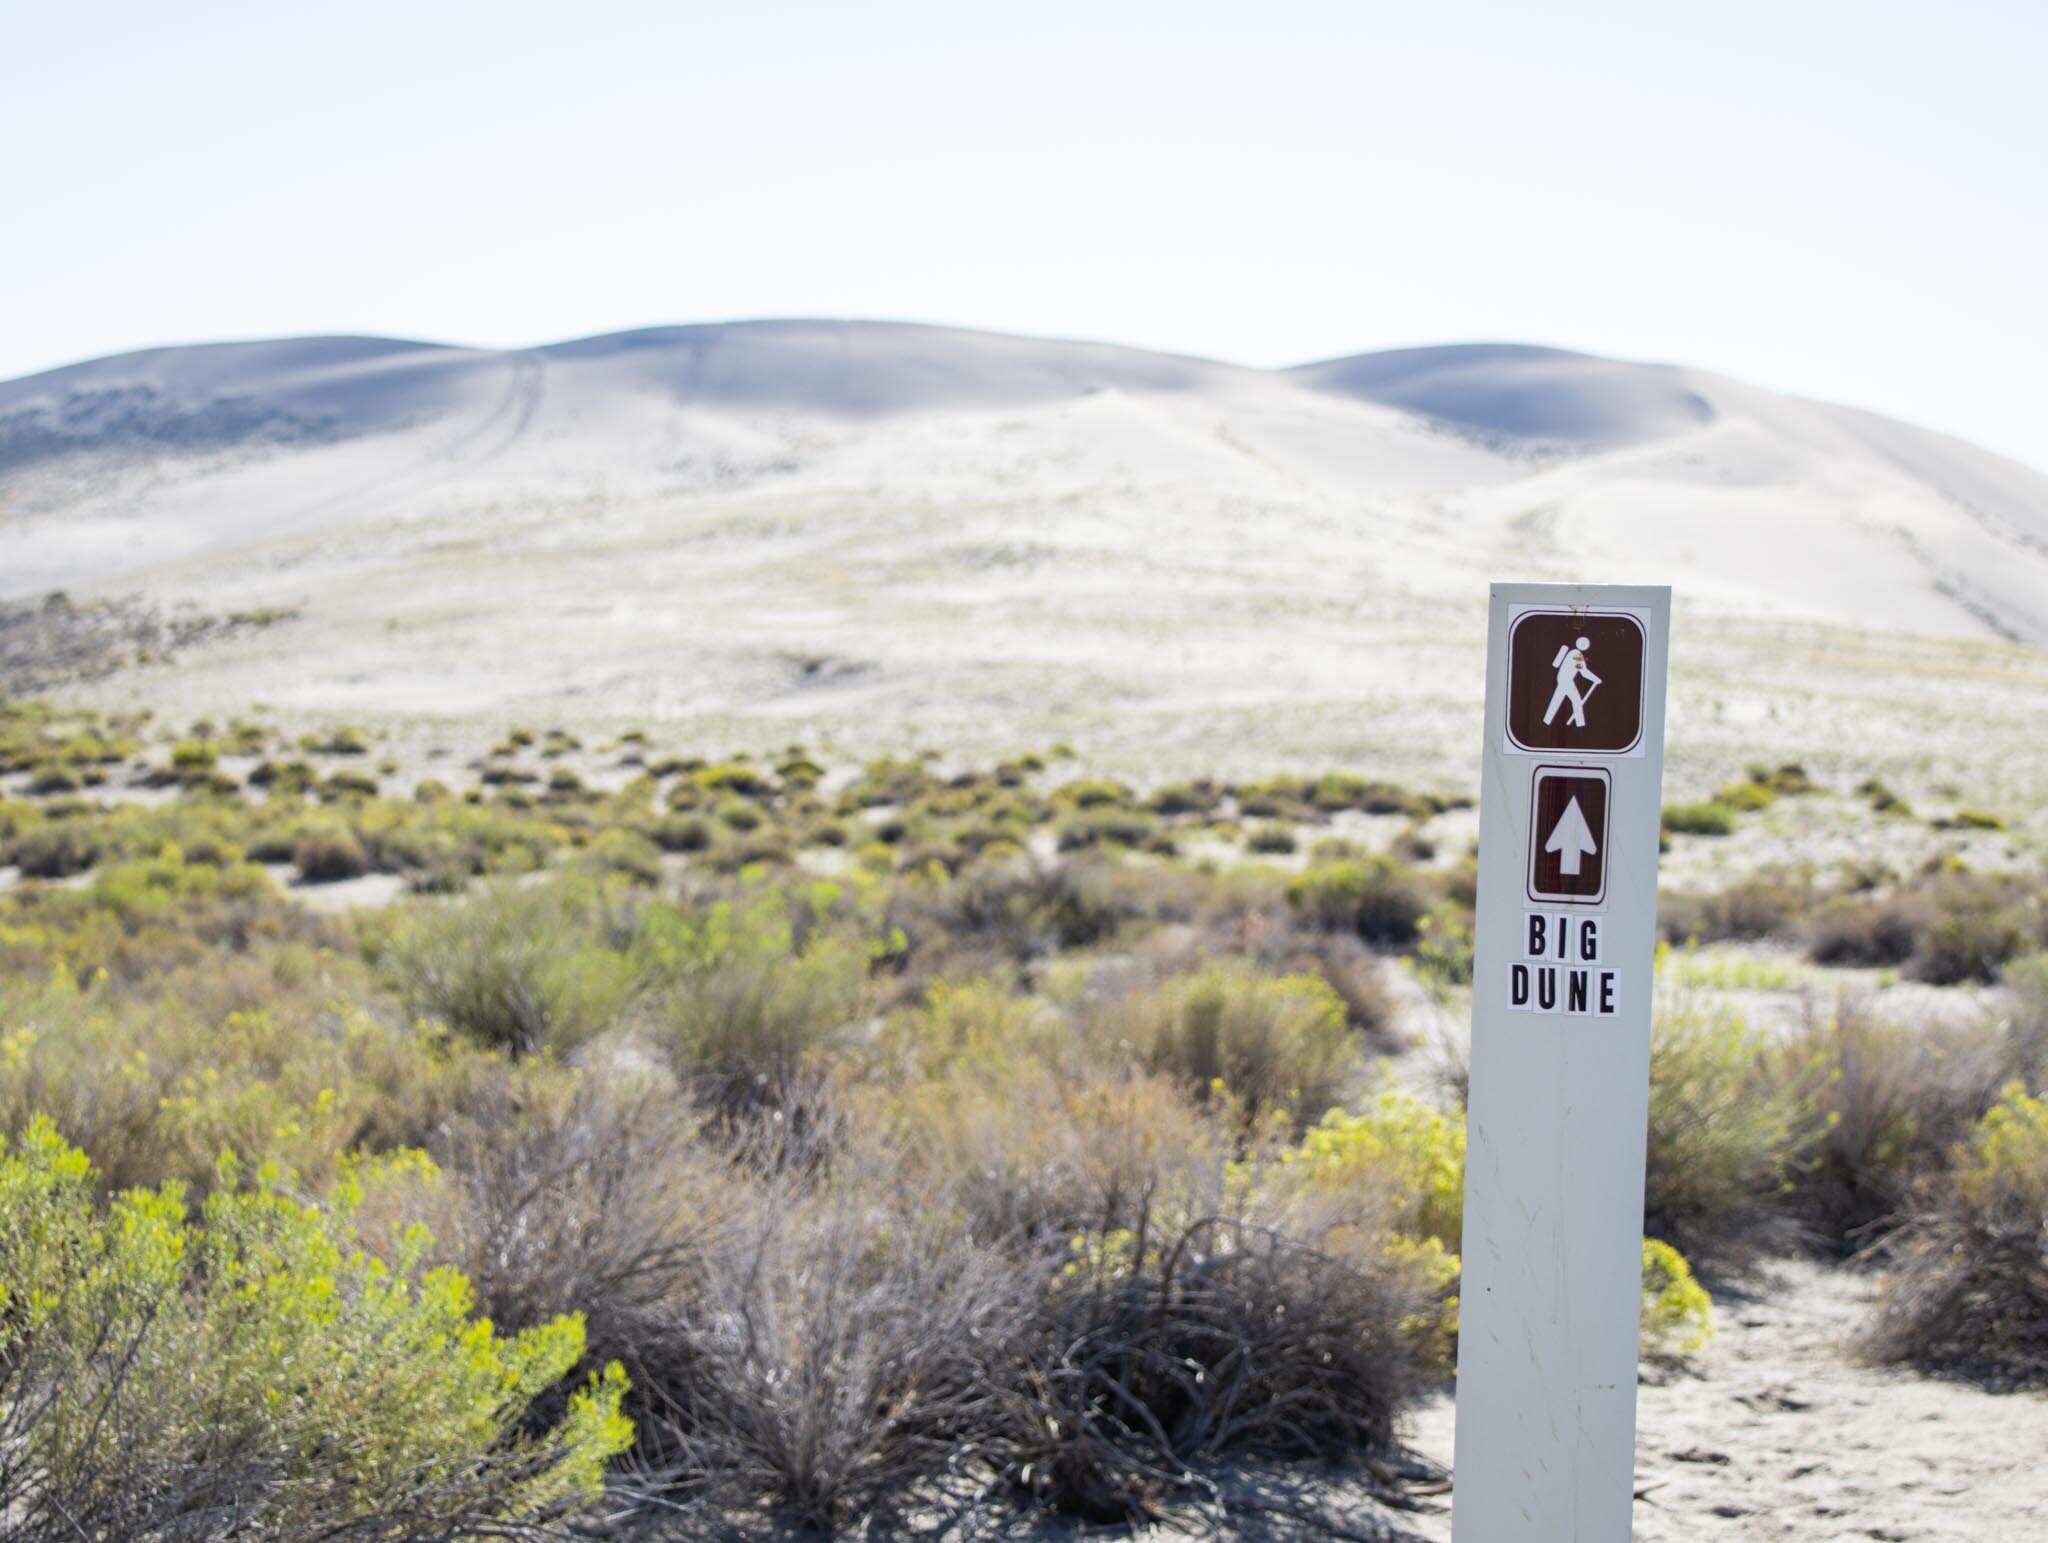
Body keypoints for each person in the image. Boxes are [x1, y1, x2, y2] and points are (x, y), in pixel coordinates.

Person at [1543, 635, 1601, 727]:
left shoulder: (1572, 652)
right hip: (1567, 680)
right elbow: (1583, 672)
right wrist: (1596, 679)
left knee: (1557, 699)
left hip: (1562, 678)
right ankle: (1580, 724)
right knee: (1576, 700)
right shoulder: (1577, 655)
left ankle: (1547, 721)